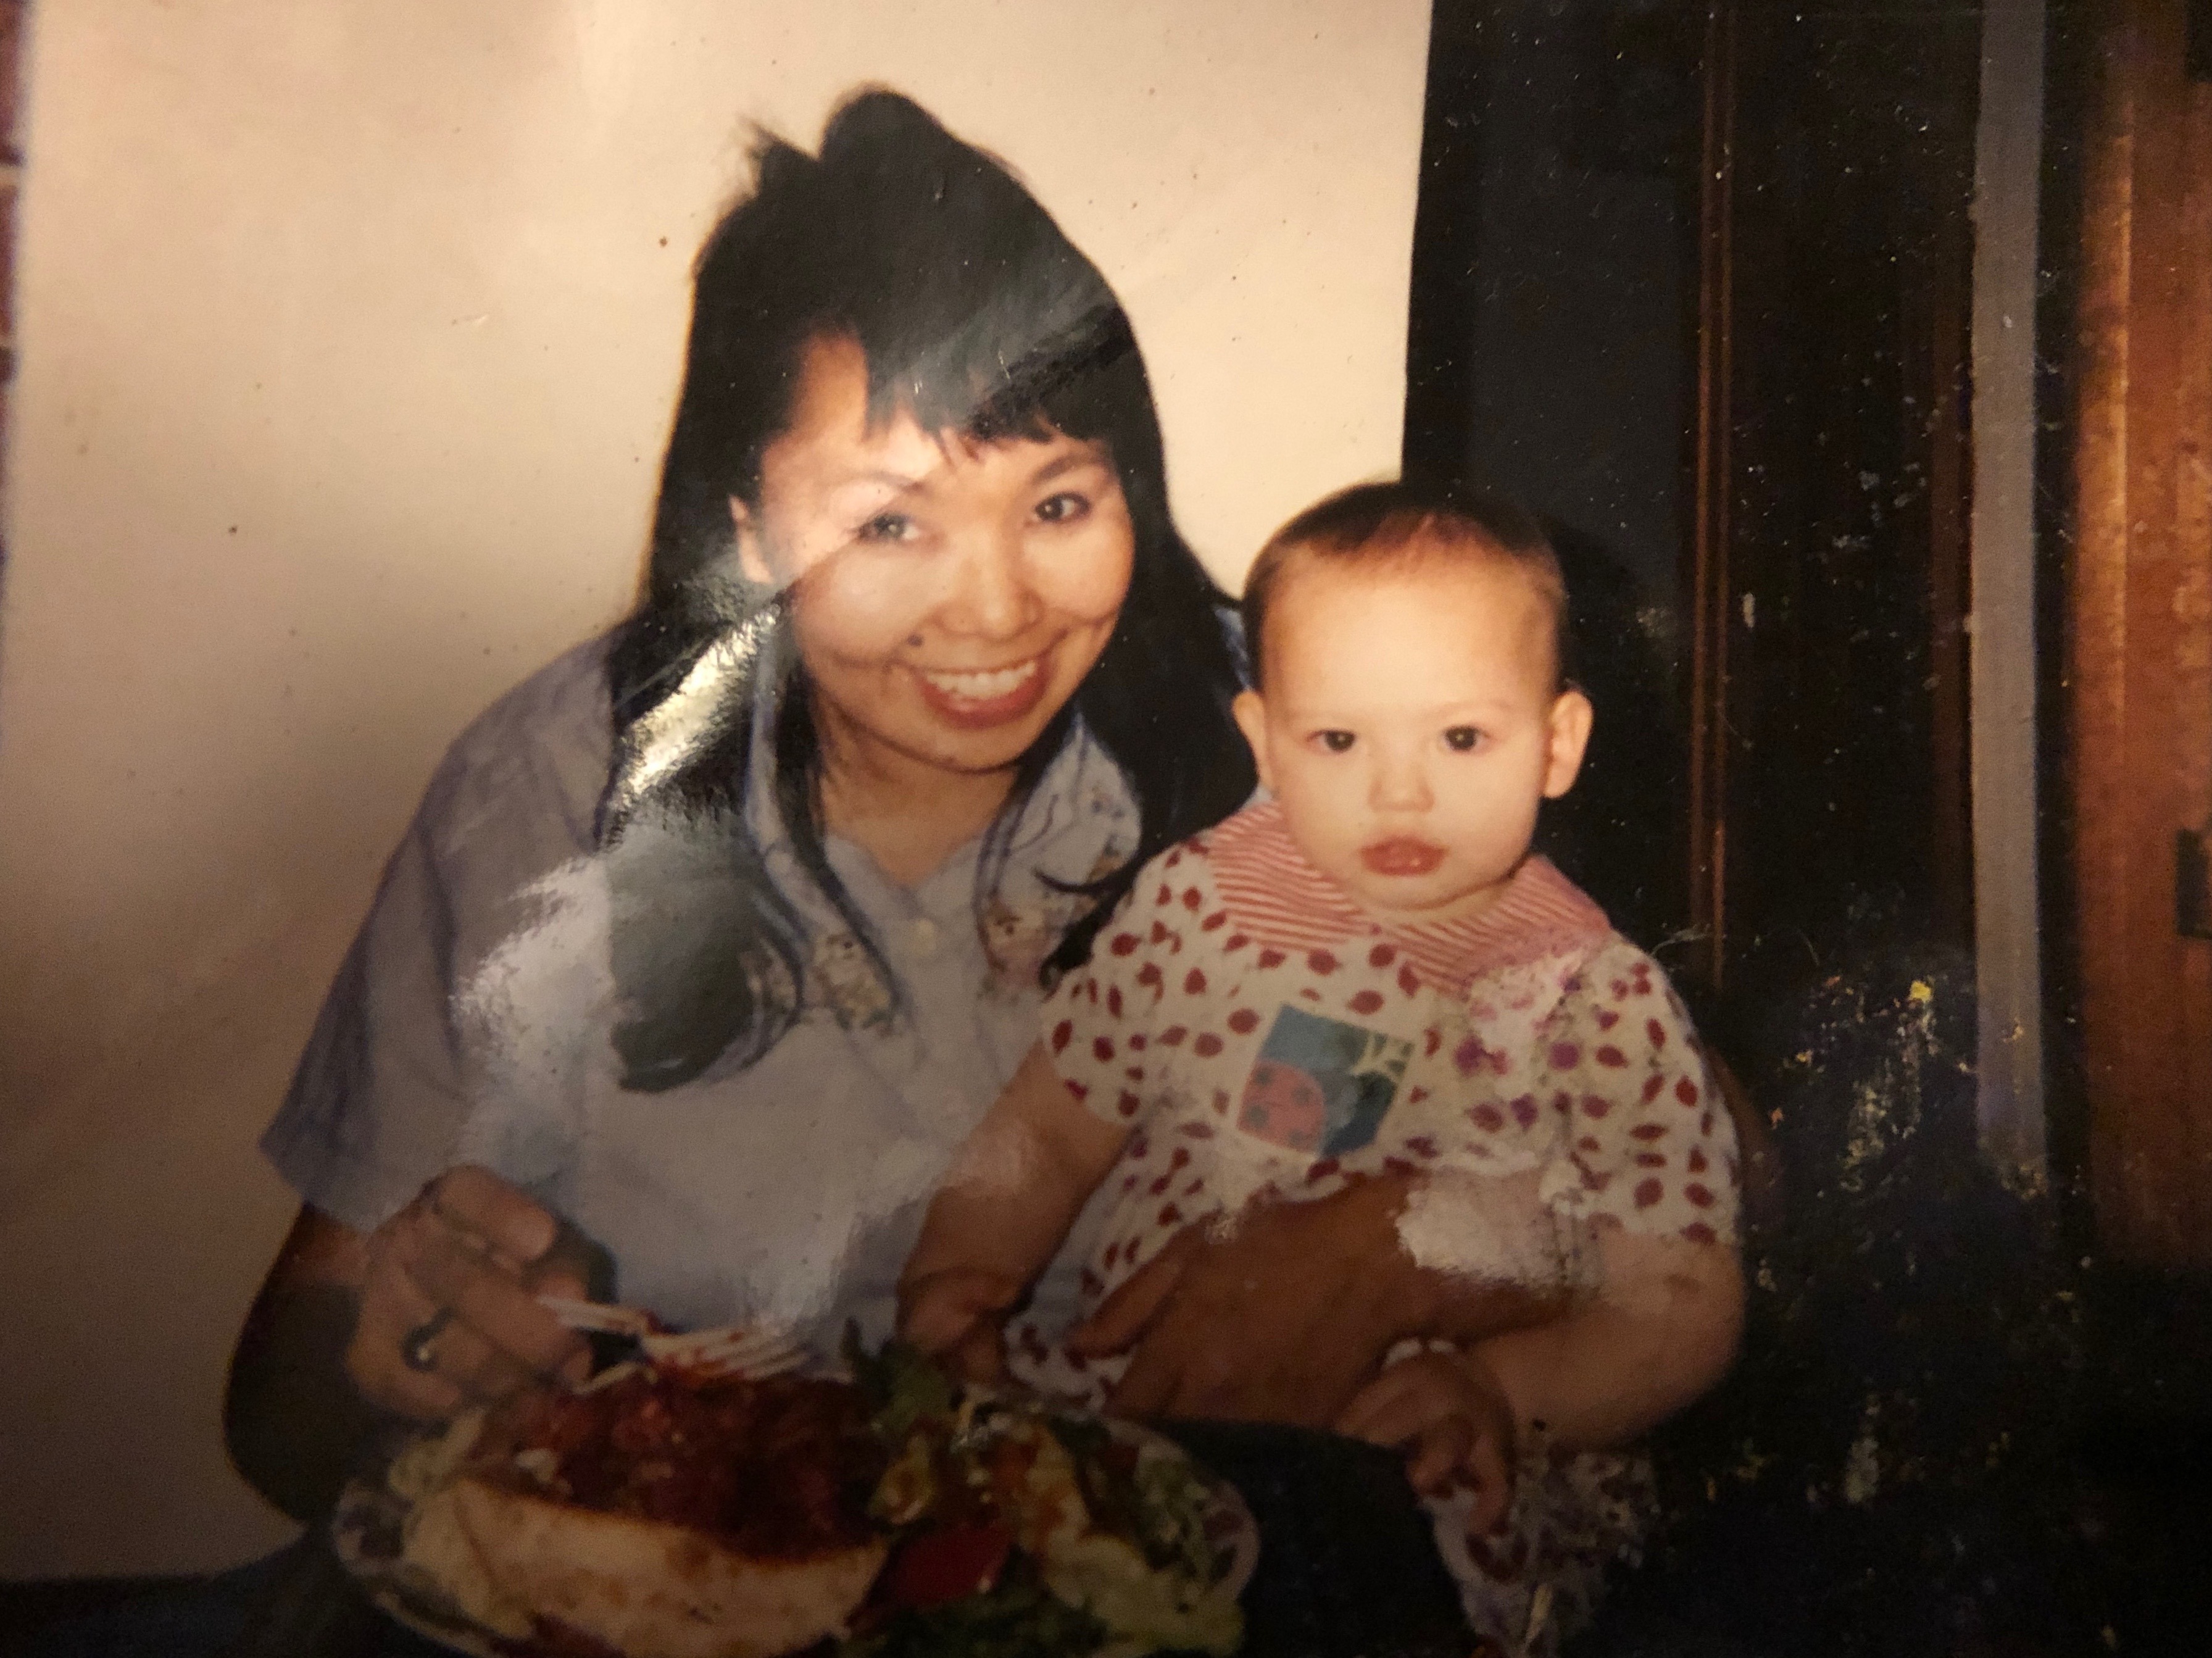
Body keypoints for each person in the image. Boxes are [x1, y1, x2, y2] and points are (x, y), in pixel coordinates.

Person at [222, 93, 1562, 1540]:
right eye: (888, 523)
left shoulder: (1305, 726)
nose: (994, 611)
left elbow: (1674, 1121)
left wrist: (1385, 1247)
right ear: (747, 534)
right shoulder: (556, 785)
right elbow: (282, 1404)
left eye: (1058, 504)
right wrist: (399, 1354)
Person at [899, 480, 1747, 1654]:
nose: (1399, 791)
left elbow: (1684, 1302)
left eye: (1461, 737)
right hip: (1154, 1402)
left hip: (1411, 1469)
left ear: (1557, 744)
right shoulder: (1197, 906)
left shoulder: (1595, 994)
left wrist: (1506, 1390)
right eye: (1339, 740)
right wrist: (962, 1264)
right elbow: (1049, 1122)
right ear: (1265, 741)